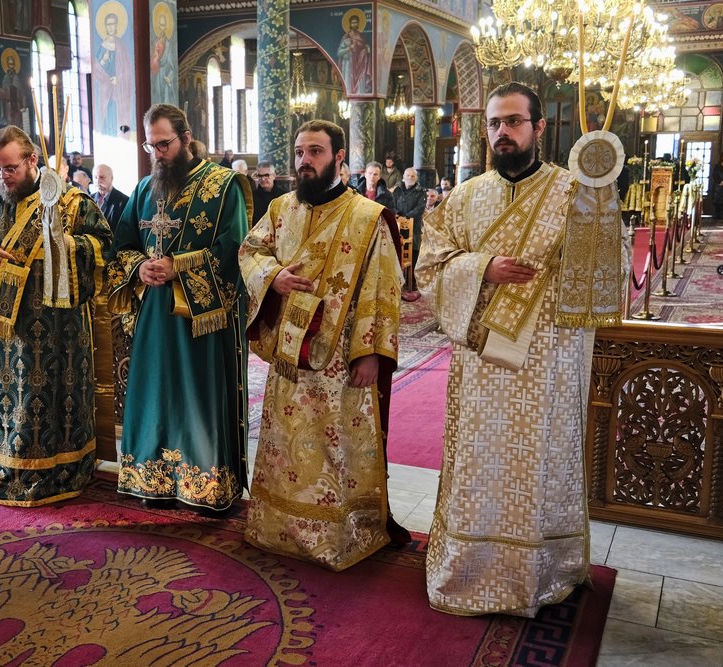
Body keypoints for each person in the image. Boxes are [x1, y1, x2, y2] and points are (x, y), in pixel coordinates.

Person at [416, 82, 622, 617]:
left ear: (539, 127)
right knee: (479, 463)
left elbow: (603, 275)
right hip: (481, 362)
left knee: (538, 464)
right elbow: (430, 264)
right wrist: (482, 267)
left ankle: (540, 570)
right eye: (494, 123)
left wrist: (601, 202)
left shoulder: (573, 192)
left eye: (513, 121)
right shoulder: (466, 197)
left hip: (548, 361)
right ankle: (470, 565)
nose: (502, 132)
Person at [240, 119, 408, 571]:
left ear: (338, 157)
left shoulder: (367, 217)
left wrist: (370, 352)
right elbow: (250, 251)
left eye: (315, 151)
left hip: (340, 359)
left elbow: (383, 286)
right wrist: (273, 276)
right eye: (299, 152)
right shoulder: (280, 208)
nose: (304, 161)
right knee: (284, 444)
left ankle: (337, 534)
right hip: (289, 354)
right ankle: (278, 527)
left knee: (335, 449)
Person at [0, 124, 113, 506]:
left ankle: (65, 470)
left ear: (32, 160)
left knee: (58, 405)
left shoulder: (70, 202)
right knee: (13, 403)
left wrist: (65, 246)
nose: (3, 177)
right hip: (9, 335)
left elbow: (105, 247)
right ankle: (10, 467)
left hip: (62, 334)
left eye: (10, 168)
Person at [106, 104, 251, 513]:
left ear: (186, 138)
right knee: (154, 393)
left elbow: (235, 251)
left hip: (199, 319)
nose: (157, 154)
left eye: (164, 144)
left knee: (196, 400)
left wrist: (179, 266)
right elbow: (122, 245)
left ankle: (203, 484)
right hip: (154, 315)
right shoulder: (144, 190)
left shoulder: (223, 186)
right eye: (150, 146)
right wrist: (140, 267)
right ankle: (152, 479)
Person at [393, 167, 427, 300]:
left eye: (413, 176)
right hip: (398, 226)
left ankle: (412, 283)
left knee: (413, 255)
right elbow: (393, 204)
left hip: (414, 228)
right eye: (408, 175)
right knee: (398, 254)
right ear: (403, 177)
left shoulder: (421, 192)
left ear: (416, 178)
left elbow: (420, 209)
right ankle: (399, 281)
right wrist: (398, 215)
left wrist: (406, 218)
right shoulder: (397, 190)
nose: (410, 178)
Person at [250, 161, 287, 226]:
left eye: (266, 175)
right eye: (260, 176)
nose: (263, 179)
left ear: (274, 176)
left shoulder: (284, 196)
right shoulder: (252, 197)